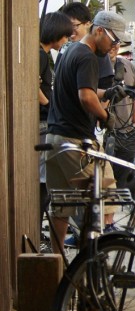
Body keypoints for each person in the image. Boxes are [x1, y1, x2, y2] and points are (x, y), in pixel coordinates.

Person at [44, 10, 129, 253]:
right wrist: (106, 117)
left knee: (61, 205)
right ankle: (94, 259)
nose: (115, 46)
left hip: (55, 138)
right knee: (104, 191)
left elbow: (84, 90)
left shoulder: (69, 51)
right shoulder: (88, 57)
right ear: (99, 30)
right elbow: (86, 97)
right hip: (76, 140)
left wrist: (108, 93)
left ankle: (56, 261)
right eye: (113, 40)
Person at [39, 11, 75, 217]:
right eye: (64, 36)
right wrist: (49, 106)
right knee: (44, 177)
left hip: (46, 118)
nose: (65, 40)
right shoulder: (41, 55)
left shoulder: (44, 55)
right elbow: (34, 86)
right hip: (44, 119)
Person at [105, 36, 135, 198]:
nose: (113, 46)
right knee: (105, 179)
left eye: (116, 43)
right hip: (104, 132)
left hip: (127, 132)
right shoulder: (94, 64)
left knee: (123, 177)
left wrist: (133, 124)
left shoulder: (127, 65)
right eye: (110, 42)